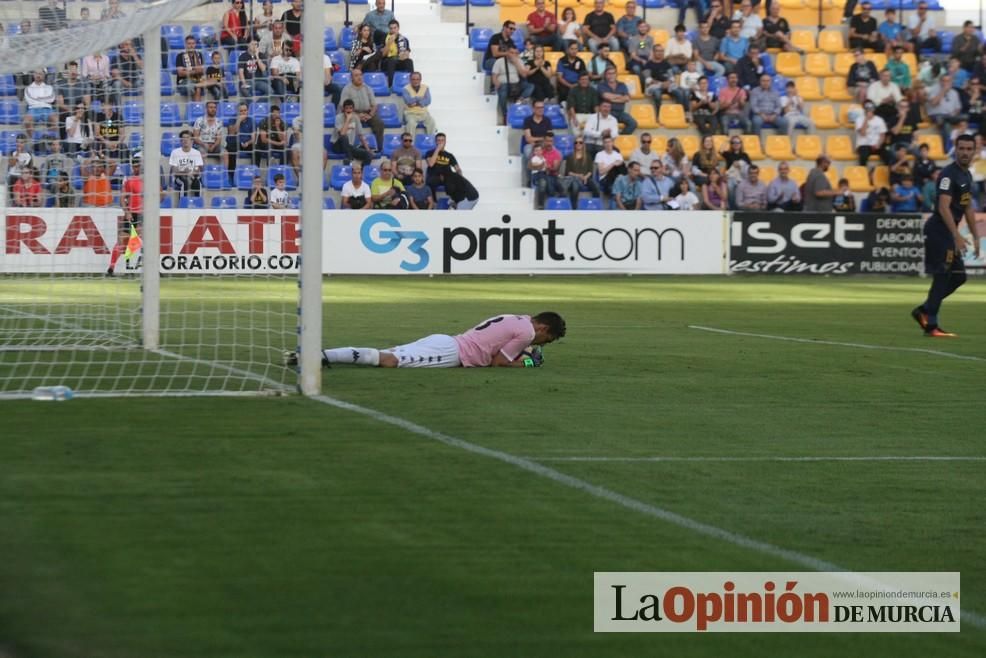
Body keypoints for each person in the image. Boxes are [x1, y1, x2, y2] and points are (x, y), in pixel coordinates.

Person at [286, 312, 567, 369]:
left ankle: (317, 355)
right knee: (389, 361)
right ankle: (319, 356)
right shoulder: (528, 333)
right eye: (547, 338)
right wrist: (529, 363)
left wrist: (525, 354)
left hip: (445, 339)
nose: (543, 343)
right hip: (453, 353)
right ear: (542, 328)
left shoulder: (518, 318)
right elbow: (497, 363)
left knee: (388, 353)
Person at [912, 134, 980, 337]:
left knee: (959, 277)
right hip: (938, 231)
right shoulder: (948, 175)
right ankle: (932, 325)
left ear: (974, 151)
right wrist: (956, 234)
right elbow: (943, 207)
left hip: (948, 233)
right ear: (955, 150)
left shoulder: (967, 176)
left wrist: (976, 237)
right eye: (962, 148)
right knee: (943, 275)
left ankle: (924, 310)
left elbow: (967, 208)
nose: (965, 152)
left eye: (969, 149)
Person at [107, 156, 143, 275]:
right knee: (122, 240)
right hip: (133, 214)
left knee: (147, 242)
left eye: (138, 165)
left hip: (144, 214)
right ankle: (111, 269)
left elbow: (160, 195)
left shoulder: (151, 180)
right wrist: (126, 212)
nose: (136, 167)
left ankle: (155, 270)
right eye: (134, 165)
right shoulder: (130, 181)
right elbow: (122, 198)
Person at [425, 133, 479, 209]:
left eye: (442, 140)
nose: (440, 142)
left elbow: (457, 168)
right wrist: (437, 150)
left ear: (445, 142)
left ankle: (455, 201)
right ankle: (434, 202)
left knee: (456, 181)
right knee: (430, 182)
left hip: (448, 176)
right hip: (435, 176)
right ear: (435, 142)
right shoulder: (430, 153)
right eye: (438, 140)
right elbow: (431, 164)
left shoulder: (449, 155)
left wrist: (459, 174)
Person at [333, 99, 373, 167]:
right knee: (344, 137)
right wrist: (348, 119)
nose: (349, 110)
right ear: (343, 109)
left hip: (350, 147)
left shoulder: (356, 118)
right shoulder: (338, 117)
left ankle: (361, 172)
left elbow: (361, 135)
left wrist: (368, 149)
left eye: (350, 108)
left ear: (353, 109)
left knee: (368, 155)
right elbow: (342, 134)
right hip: (337, 146)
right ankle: (350, 159)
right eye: (347, 108)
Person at [381, 19, 413, 87]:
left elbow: (406, 54)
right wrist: (389, 43)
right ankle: (390, 85)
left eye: (395, 28)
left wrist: (402, 56)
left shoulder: (404, 39)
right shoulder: (385, 38)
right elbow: (383, 55)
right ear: (389, 29)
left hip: (399, 61)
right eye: (391, 28)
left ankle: (412, 83)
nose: (393, 30)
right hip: (387, 62)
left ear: (398, 28)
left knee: (409, 61)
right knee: (392, 60)